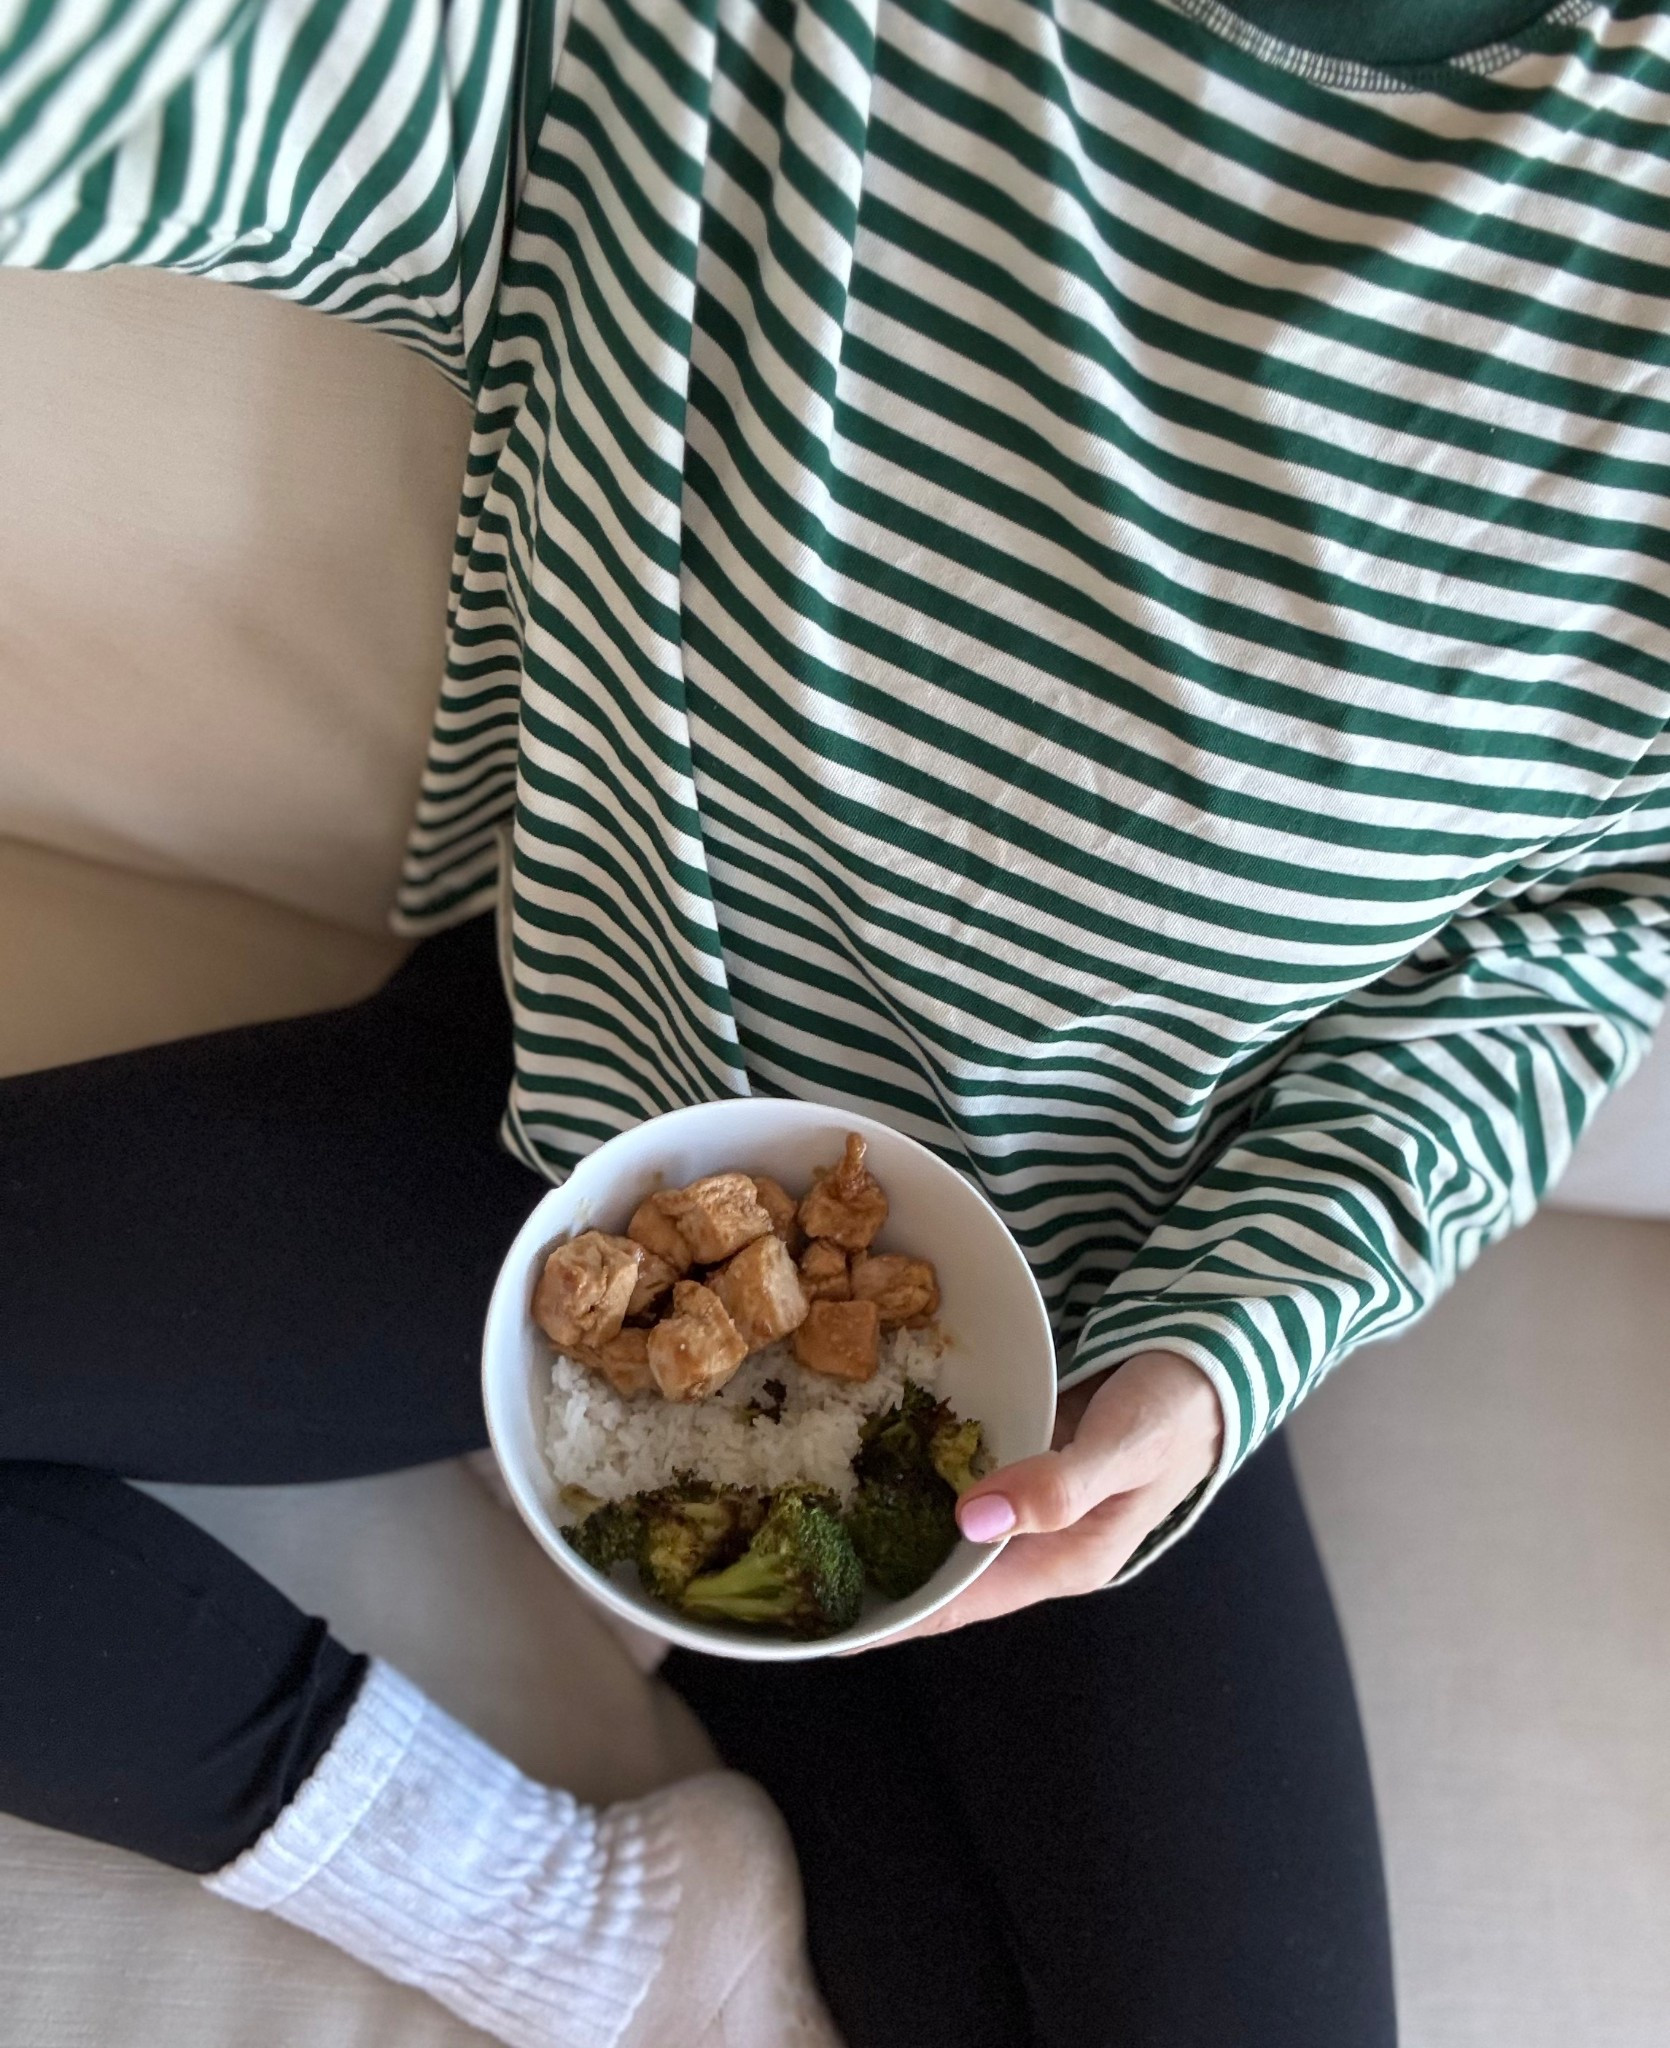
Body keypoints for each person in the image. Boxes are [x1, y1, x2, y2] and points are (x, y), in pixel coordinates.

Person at [6, 0, 1668, 2041]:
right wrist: (544, 1921)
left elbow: (1576, 940)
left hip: (1090, 1307)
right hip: (547, 1114)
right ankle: (593, 1933)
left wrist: (1225, 1357)